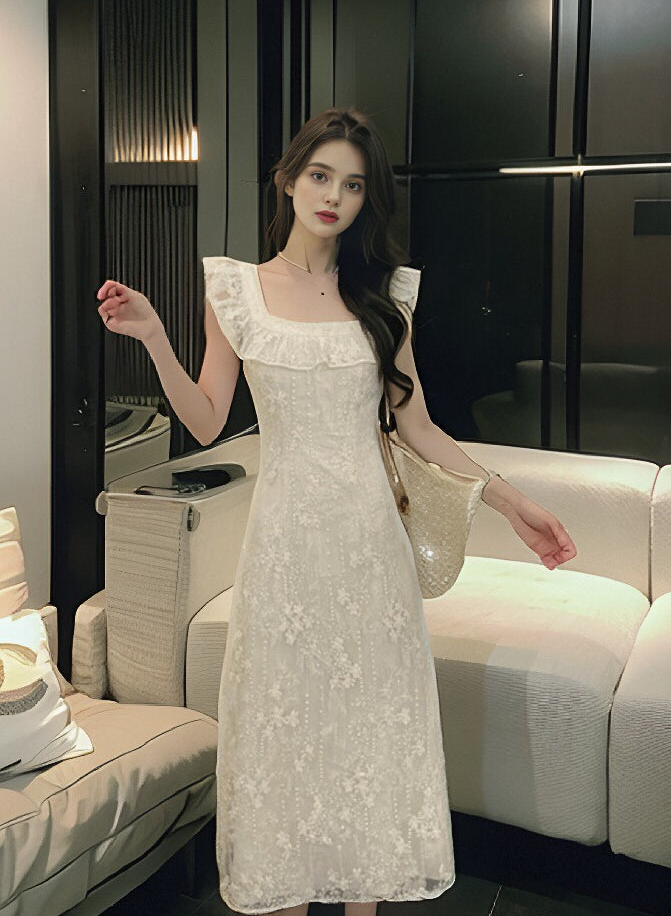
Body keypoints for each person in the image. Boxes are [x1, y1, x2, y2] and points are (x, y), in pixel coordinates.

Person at [96, 107, 577, 916]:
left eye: (353, 186)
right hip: (283, 549)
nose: (333, 197)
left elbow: (419, 428)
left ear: (365, 201)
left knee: (368, 732)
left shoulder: (385, 298)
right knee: (286, 734)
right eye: (320, 176)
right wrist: (153, 339)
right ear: (288, 180)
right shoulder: (235, 290)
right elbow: (208, 419)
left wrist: (512, 502)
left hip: (369, 550)